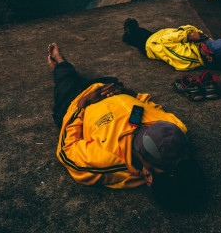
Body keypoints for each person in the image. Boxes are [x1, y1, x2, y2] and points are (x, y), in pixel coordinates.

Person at [48, 43, 205, 209]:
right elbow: (151, 105)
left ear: (147, 176)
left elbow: (67, 149)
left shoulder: (106, 160)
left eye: (144, 138)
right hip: (111, 87)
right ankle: (63, 67)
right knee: (96, 77)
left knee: (65, 77)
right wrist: (129, 93)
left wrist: (82, 104)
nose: (149, 127)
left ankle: (59, 62)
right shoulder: (176, 130)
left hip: (74, 100)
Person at [122, 18, 221, 71]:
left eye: (207, 45)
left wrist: (189, 37)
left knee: (135, 36)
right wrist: (194, 35)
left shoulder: (187, 58)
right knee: (140, 31)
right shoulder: (206, 48)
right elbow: (189, 27)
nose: (206, 41)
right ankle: (131, 32)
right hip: (159, 35)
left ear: (209, 58)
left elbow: (165, 41)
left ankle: (129, 36)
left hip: (150, 46)